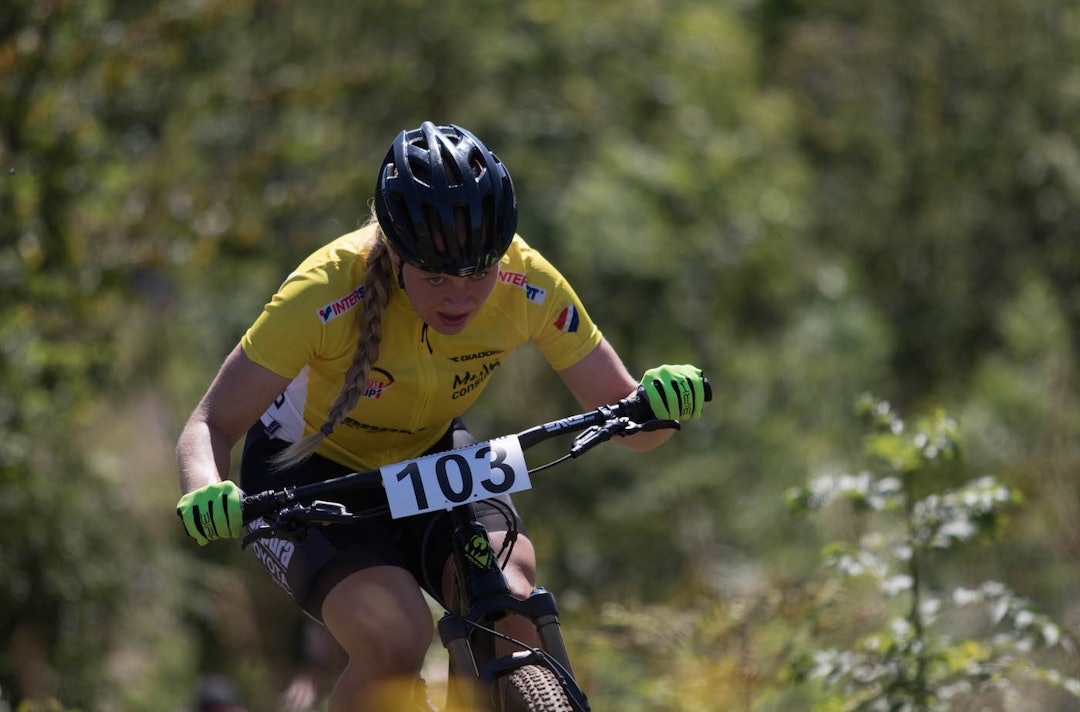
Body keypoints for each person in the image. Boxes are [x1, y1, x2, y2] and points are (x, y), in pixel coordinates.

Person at [176, 121, 707, 712]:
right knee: (396, 639)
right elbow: (209, 423)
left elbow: (627, 415)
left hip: (432, 453)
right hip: (311, 476)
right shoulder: (324, 291)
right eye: (434, 277)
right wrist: (206, 488)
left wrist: (659, 400)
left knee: (513, 601)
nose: (459, 297)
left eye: (478, 273)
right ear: (397, 256)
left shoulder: (527, 281)